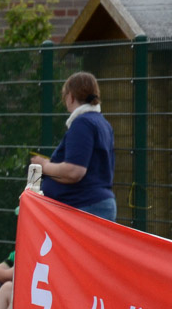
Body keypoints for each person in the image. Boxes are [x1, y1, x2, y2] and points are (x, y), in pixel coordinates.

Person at [31, 71, 115, 221]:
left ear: (71, 97)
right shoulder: (102, 123)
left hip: (84, 205)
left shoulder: (82, 124)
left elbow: (74, 171)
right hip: (94, 204)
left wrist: (44, 166)